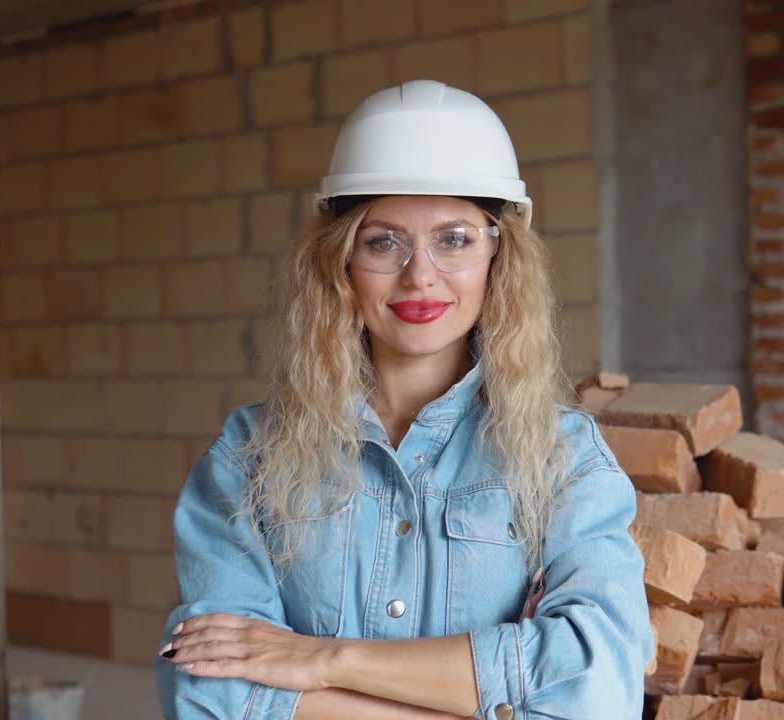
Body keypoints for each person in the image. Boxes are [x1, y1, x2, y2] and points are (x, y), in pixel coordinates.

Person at [155, 79, 653, 720]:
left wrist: (324, 659)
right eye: (383, 241)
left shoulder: (563, 456)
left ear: (499, 258)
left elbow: (602, 684)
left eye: (454, 239)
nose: (420, 274)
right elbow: (203, 688)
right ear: (340, 262)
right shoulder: (250, 456)